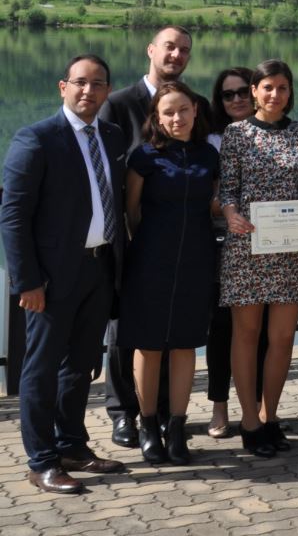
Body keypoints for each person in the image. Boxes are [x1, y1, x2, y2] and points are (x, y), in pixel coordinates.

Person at [3, 54, 127, 494]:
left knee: (79, 366)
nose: (88, 91)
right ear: (63, 87)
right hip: (52, 278)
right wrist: (26, 281)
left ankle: (72, 446)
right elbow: (13, 216)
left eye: (98, 84)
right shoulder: (36, 139)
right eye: (80, 82)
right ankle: (41, 461)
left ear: (108, 91)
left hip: (99, 268)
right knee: (40, 370)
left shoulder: (112, 136)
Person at [218, 59, 298, 458]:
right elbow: (228, 190)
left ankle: (270, 416)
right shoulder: (236, 134)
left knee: (284, 338)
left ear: (290, 93)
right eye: (267, 87)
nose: (275, 94)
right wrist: (230, 213)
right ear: (254, 90)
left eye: (282, 88)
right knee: (246, 334)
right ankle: (248, 421)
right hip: (247, 246)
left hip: (290, 247)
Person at [97, 25, 201, 450]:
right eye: (169, 47)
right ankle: (124, 412)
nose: (176, 55)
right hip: (129, 239)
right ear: (151, 50)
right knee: (126, 333)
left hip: (179, 245)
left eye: (184, 50)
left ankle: (161, 414)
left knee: (170, 335)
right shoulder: (119, 103)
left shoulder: (194, 103)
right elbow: (107, 171)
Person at [119, 81, 219, 465]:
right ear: (157, 118)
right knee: (149, 344)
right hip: (150, 261)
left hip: (197, 259)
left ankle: (176, 427)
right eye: (168, 112)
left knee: (184, 344)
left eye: (183, 110)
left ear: (195, 111)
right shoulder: (143, 156)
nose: (177, 118)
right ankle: (147, 425)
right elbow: (132, 212)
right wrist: (148, 248)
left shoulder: (209, 154)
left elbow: (213, 203)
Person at [204, 65, 265, 440]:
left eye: (243, 91)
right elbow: (205, 196)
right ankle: (219, 405)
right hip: (221, 245)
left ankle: (255, 409)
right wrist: (228, 208)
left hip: (265, 244)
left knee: (261, 332)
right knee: (223, 328)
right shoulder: (211, 140)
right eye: (229, 94)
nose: (238, 99)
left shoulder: (271, 133)